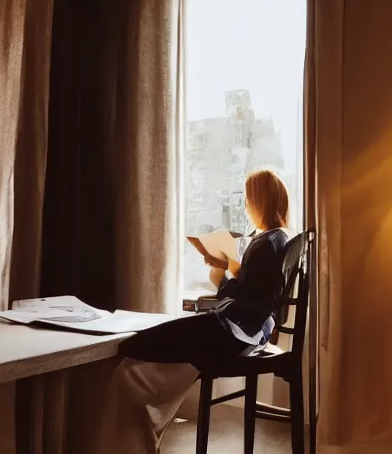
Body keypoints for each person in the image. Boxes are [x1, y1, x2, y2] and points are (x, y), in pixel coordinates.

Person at [96, 169, 292, 454]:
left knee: (137, 342)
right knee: (147, 345)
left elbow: (244, 296)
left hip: (234, 330)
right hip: (247, 329)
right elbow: (256, 291)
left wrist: (221, 280)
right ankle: (141, 435)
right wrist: (226, 271)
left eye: (249, 199)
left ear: (262, 201)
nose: (247, 207)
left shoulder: (268, 243)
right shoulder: (277, 240)